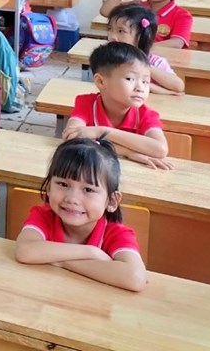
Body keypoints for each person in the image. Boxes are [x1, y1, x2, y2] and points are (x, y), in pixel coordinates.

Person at [15, 137, 147, 292]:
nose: (72, 198)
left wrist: (61, 261)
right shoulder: (43, 216)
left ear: (112, 201)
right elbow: (25, 251)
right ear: (49, 188)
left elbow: (135, 278)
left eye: (88, 190)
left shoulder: (116, 234)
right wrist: (91, 253)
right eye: (63, 184)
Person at [63, 42, 170, 169]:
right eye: (130, 79)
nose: (140, 88)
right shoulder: (86, 103)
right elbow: (72, 138)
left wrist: (102, 132)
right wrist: (128, 152)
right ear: (101, 82)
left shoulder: (146, 115)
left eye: (145, 81)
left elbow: (160, 149)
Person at [105, 4, 184, 94]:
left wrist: (142, 65)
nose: (112, 36)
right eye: (110, 29)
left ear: (140, 36)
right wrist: (163, 91)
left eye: (121, 31)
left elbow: (178, 86)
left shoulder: (154, 61)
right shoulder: (108, 58)